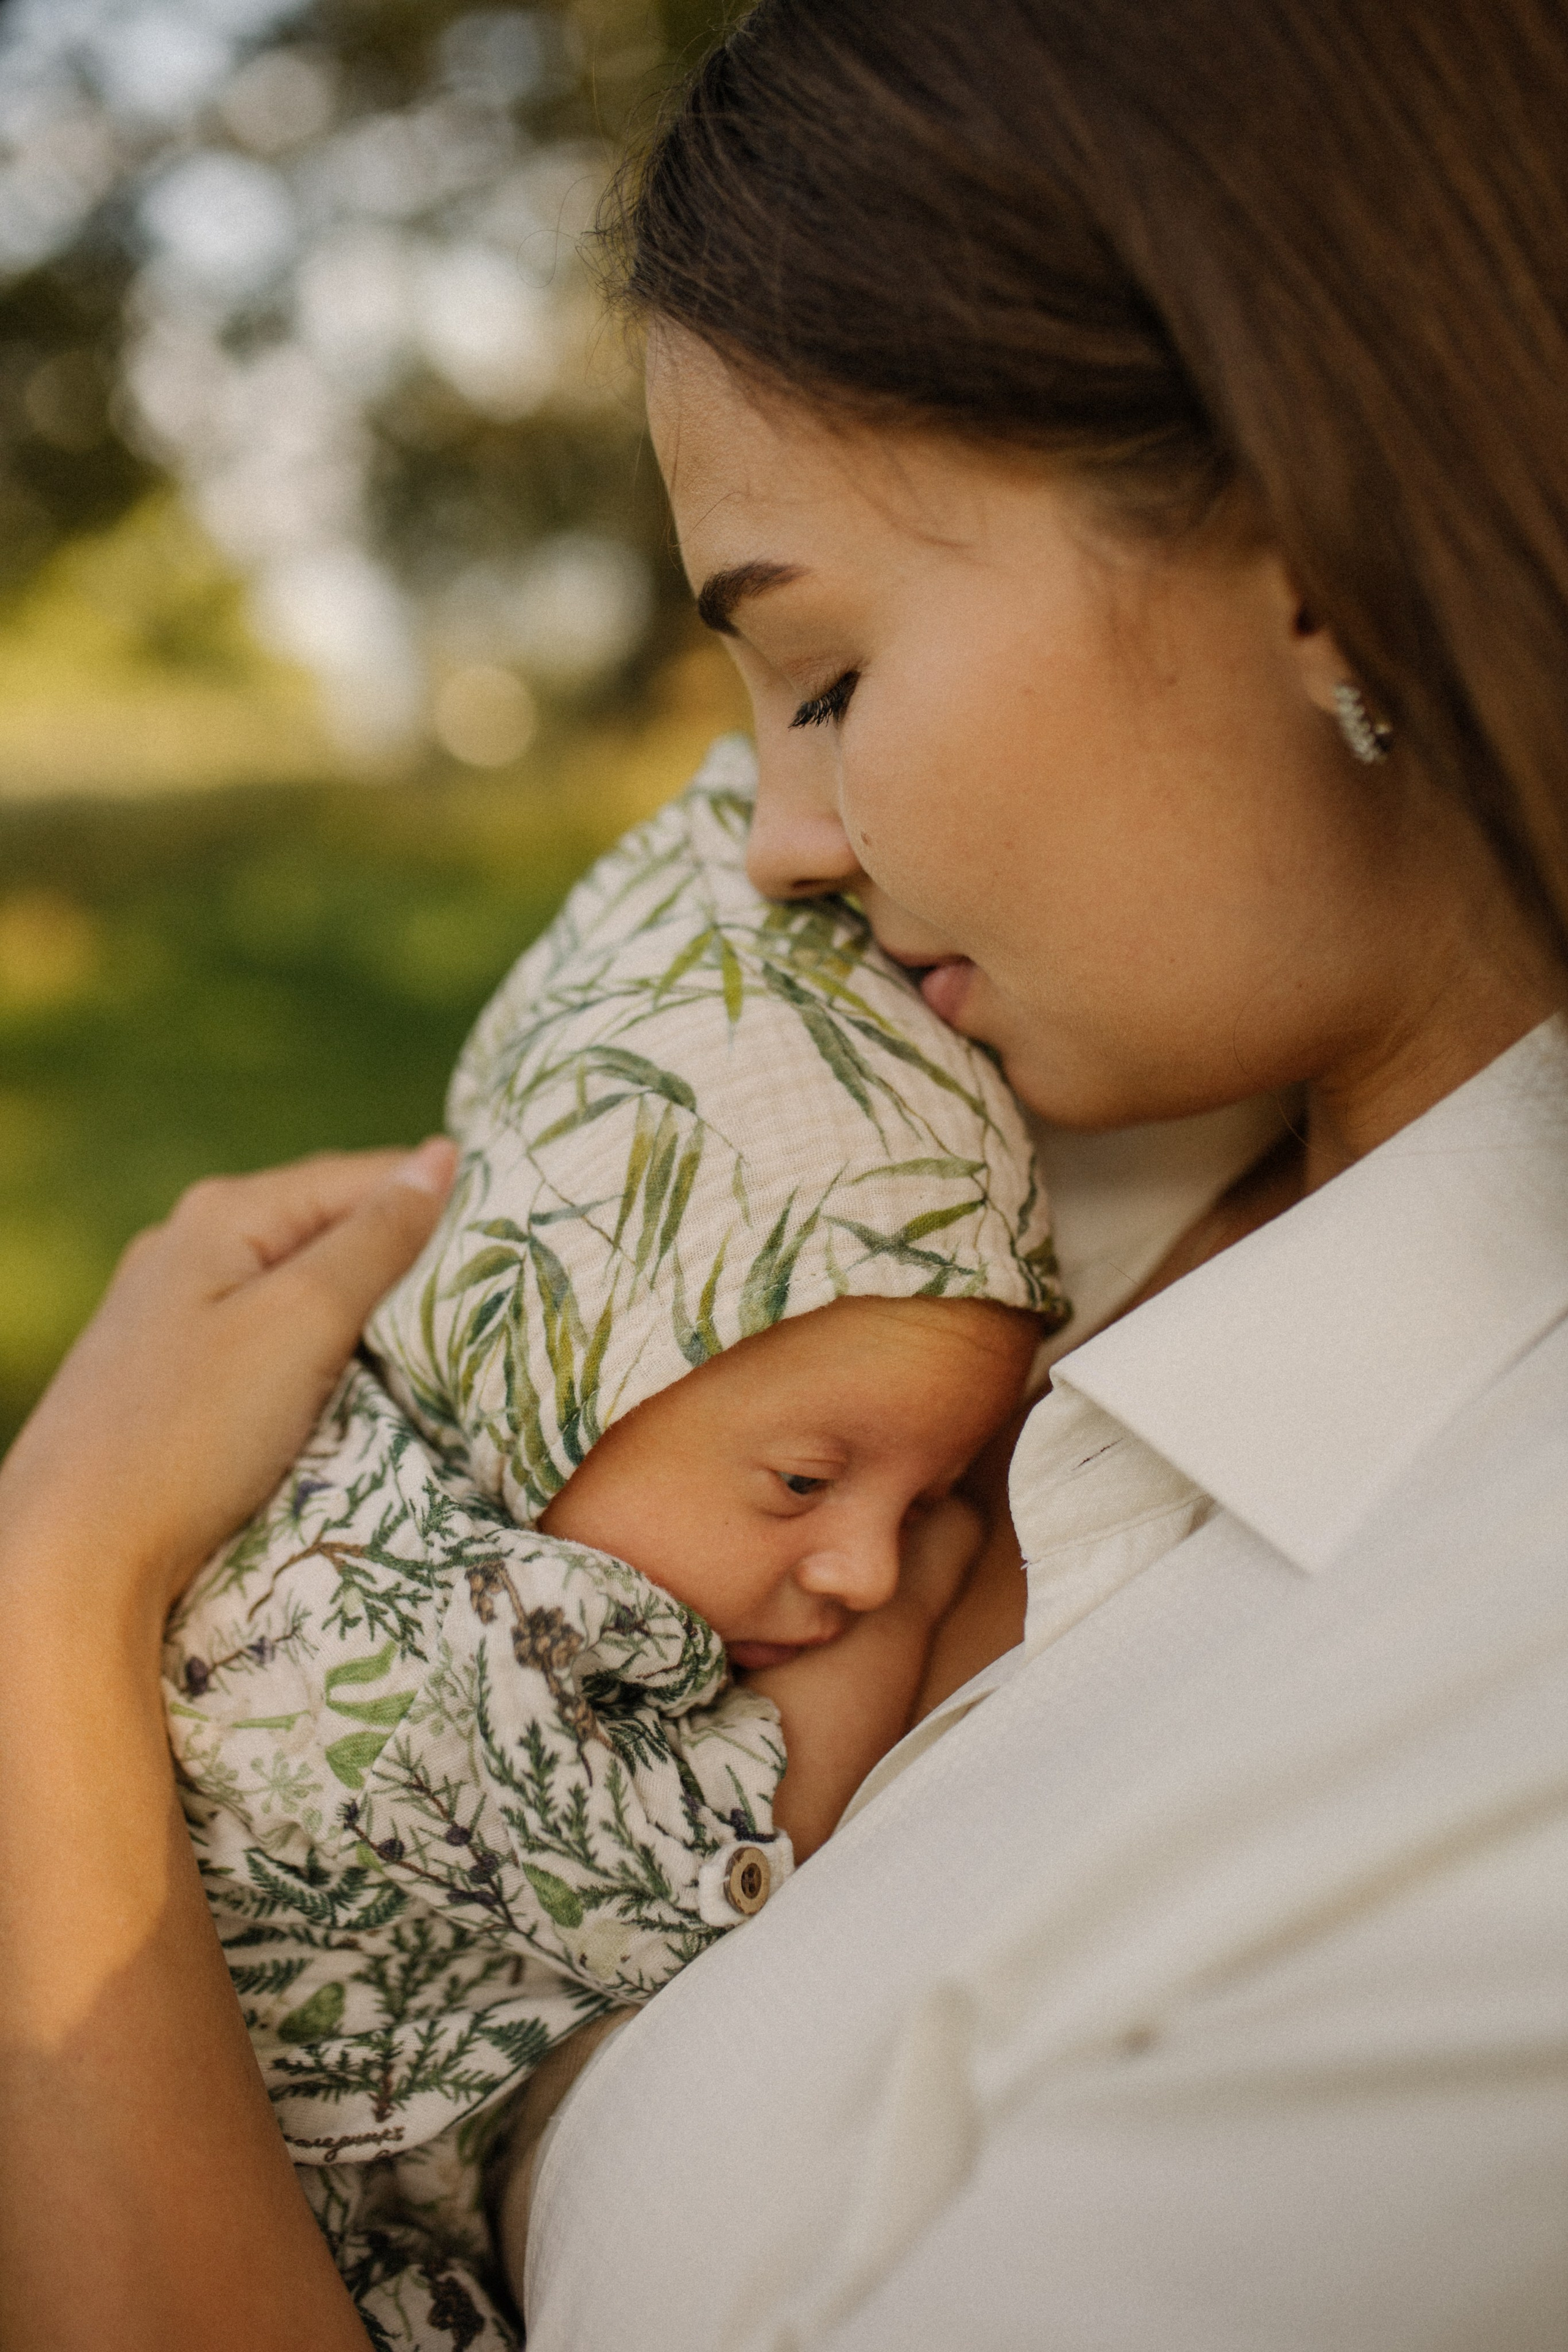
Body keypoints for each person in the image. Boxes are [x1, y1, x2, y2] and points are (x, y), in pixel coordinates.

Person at [2, 0, 1565, 2345]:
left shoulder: (1493, 1770)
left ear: (1312, 541)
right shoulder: (939, 1123)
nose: (778, 844)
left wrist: (54, 1613)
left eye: (824, 679)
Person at [168, 752, 1050, 2343]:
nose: (860, 1566)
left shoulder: (412, 1469)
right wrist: (934, 1586)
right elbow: (745, 1841)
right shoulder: (424, 1650)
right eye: (805, 1481)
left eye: (924, 1498)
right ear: (563, 1378)